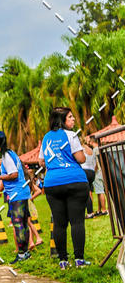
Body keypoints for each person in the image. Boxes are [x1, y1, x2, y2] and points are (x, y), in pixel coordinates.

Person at [39, 107, 89, 269]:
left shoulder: (46, 137)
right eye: (70, 117)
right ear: (62, 120)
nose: (73, 119)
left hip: (52, 183)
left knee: (59, 223)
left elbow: (41, 161)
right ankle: (79, 259)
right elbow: (81, 159)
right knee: (77, 222)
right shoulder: (71, 135)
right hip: (75, 180)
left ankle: (63, 260)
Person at [0, 131, 32, 263]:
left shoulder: (6, 156)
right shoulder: (10, 153)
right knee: (23, 223)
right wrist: (1, 168)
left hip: (16, 194)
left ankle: (22, 254)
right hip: (22, 192)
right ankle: (26, 252)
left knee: (18, 224)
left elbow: (14, 174)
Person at [91, 139, 108, 216]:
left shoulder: (95, 150)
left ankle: (103, 210)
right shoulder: (102, 148)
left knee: (100, 191)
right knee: (99, 191)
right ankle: (99, 209)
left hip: (98, 173)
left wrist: (94, 172)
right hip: (103, 172)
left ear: (92, 142)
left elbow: (96, 163)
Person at [82, 137, 97, 218]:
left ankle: (90, 212)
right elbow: (95, 163)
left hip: (84, 171)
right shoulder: (91, 150)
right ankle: (90, 211)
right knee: (89, 192)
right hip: (92, 172)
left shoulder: (81, 149)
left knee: (85, 193)